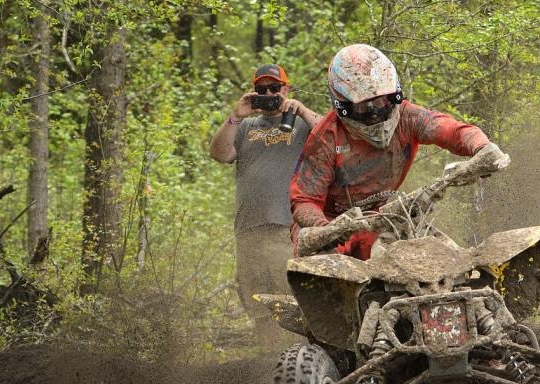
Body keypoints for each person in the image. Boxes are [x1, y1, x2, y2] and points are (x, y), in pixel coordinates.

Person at [289, 44, 503, 260]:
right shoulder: (326, 137)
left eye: (381, 101)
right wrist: (326, 229)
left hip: (384, 216)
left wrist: (482, 148)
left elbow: (452, 131)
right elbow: (304, 200)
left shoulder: (408, 117)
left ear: (393, 95)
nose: (375, 113)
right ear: (343, 106)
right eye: (364, 107)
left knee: (435, 251)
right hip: (333, 222)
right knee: (320, 259)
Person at [209, 63, 321, 346]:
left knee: (290, 300)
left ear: (287, 89)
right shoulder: (246, 127)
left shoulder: (302, 124)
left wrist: (301, 109)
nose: (269, 94)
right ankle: (269, 364)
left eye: (274, 88)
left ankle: (296, 360)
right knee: (257, 303)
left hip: (284, 227)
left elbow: (332, 136)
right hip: (248, 230)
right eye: (262, 90)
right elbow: (219, 154)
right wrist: (235, 116)